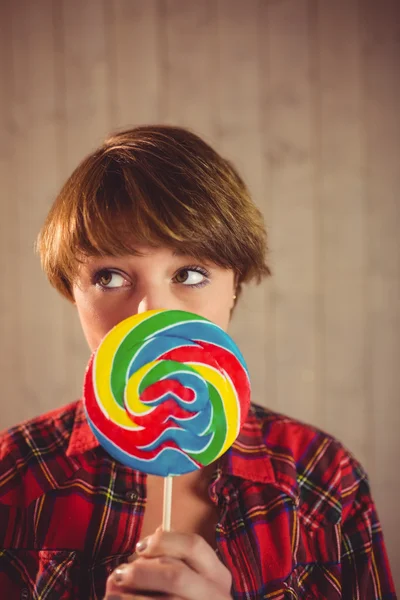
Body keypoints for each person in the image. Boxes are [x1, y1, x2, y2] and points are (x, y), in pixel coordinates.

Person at [0, 126, 395, 599]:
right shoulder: (14, 475)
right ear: (71, 293)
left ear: (235, 283)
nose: (152, 311)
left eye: (189, 273)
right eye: (109, 276)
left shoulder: (323, 481)